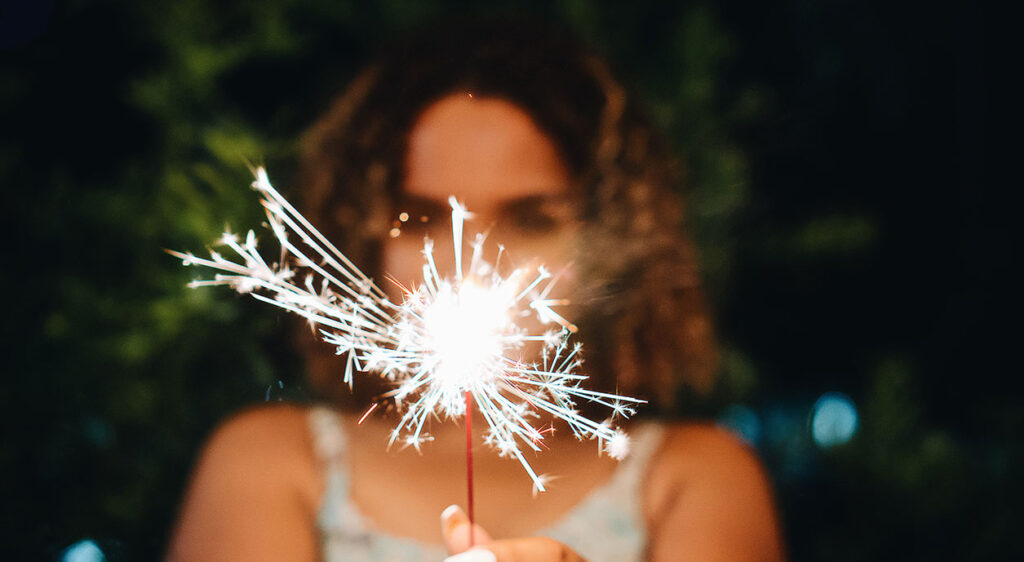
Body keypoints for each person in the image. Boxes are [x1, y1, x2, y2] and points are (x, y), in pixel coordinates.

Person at [168, 19, 784, 562]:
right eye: (423, 217)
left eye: (530, 220)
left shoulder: (695, 478)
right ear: (359, 233)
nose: (473, 267)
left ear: (612, 239)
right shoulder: (267, 464)